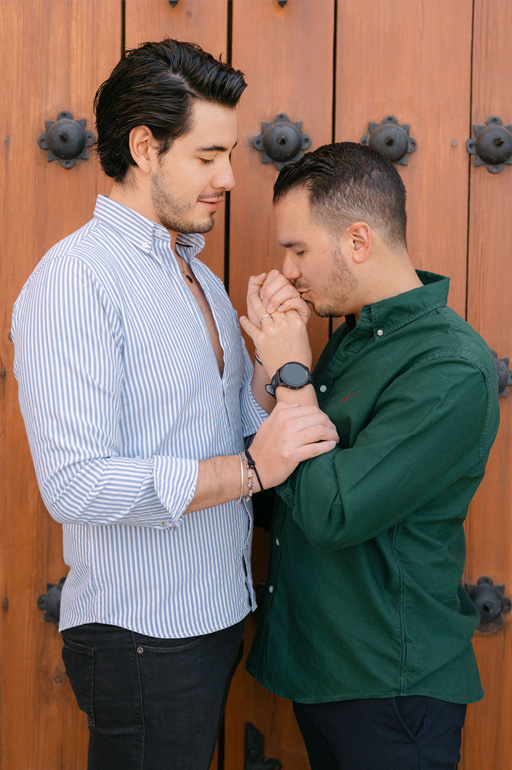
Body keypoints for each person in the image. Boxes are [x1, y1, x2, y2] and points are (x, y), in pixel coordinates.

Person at [11, 39, 338, 770]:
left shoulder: (200, 278)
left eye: (230, 155)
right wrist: (250, 472)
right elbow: (76, 485)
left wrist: (271, 365)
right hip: (140, 638)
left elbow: (232, 433)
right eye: (207, 156)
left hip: (212, 618)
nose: (229, 178)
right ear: (144, 148)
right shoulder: (77, 281)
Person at [240, 141, 500, 770]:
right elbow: (287, 495)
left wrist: (293, 377)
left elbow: (334, 511)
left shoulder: (449, 365)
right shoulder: (355, 339)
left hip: (392, 685)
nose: (287, 270)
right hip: (329, 671)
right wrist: (268, 379)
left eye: (298, 250)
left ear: (358, 240)